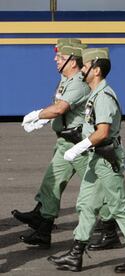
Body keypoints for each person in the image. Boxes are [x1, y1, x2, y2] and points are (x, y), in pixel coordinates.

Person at [47, 48, 125, 273]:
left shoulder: (104, 96)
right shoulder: (95, 94)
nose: (82, 68)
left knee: (120, 205)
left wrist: (79, 147)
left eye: (86, 65)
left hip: (104, 159)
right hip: (96, 158)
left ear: (97, 70)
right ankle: (76, 255)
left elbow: (103, 132)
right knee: (85, 204)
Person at [13, 40, 95, 249]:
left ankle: (113, 230)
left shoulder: (78, 82)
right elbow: (59, 106)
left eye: (59, 57)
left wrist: (36, 114)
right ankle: (43, 229)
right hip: (65, 142)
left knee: (100, 189)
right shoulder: (65, 79)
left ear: (73, 61)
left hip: (79, 145)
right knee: (52, 183)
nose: (55, 60)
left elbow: (60, 109)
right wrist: (45, 119)